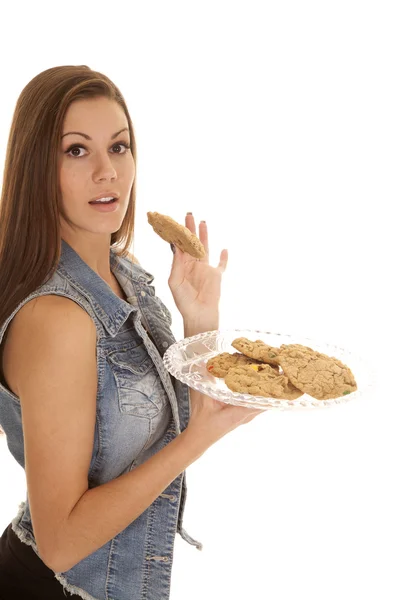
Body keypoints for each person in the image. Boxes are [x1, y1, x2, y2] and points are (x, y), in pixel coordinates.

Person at [0, 65, 264, 600]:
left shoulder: (126, 276)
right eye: (76, 150)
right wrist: (197, 444)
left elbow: (165, 423)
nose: (108, 172)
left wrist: (199, 321)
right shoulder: (57, 320)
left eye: (118, 147)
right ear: (36, 168)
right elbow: (60, 543)